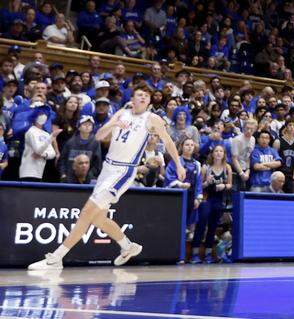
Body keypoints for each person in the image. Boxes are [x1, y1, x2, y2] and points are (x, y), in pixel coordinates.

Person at [29, 88, 184, 269]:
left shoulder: (152, 119)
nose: (142, 97)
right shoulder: (121, 113)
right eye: (139, 94)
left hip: (123, 171)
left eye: (146, 96)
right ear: (132, 98)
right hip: (107, 169)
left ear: (149, 102)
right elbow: (100, 136)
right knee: (98, 219)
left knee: (87, 212)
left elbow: (168, 141)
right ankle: (128, 246)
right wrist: (113, 125)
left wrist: (179, 165)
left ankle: (56, 258)